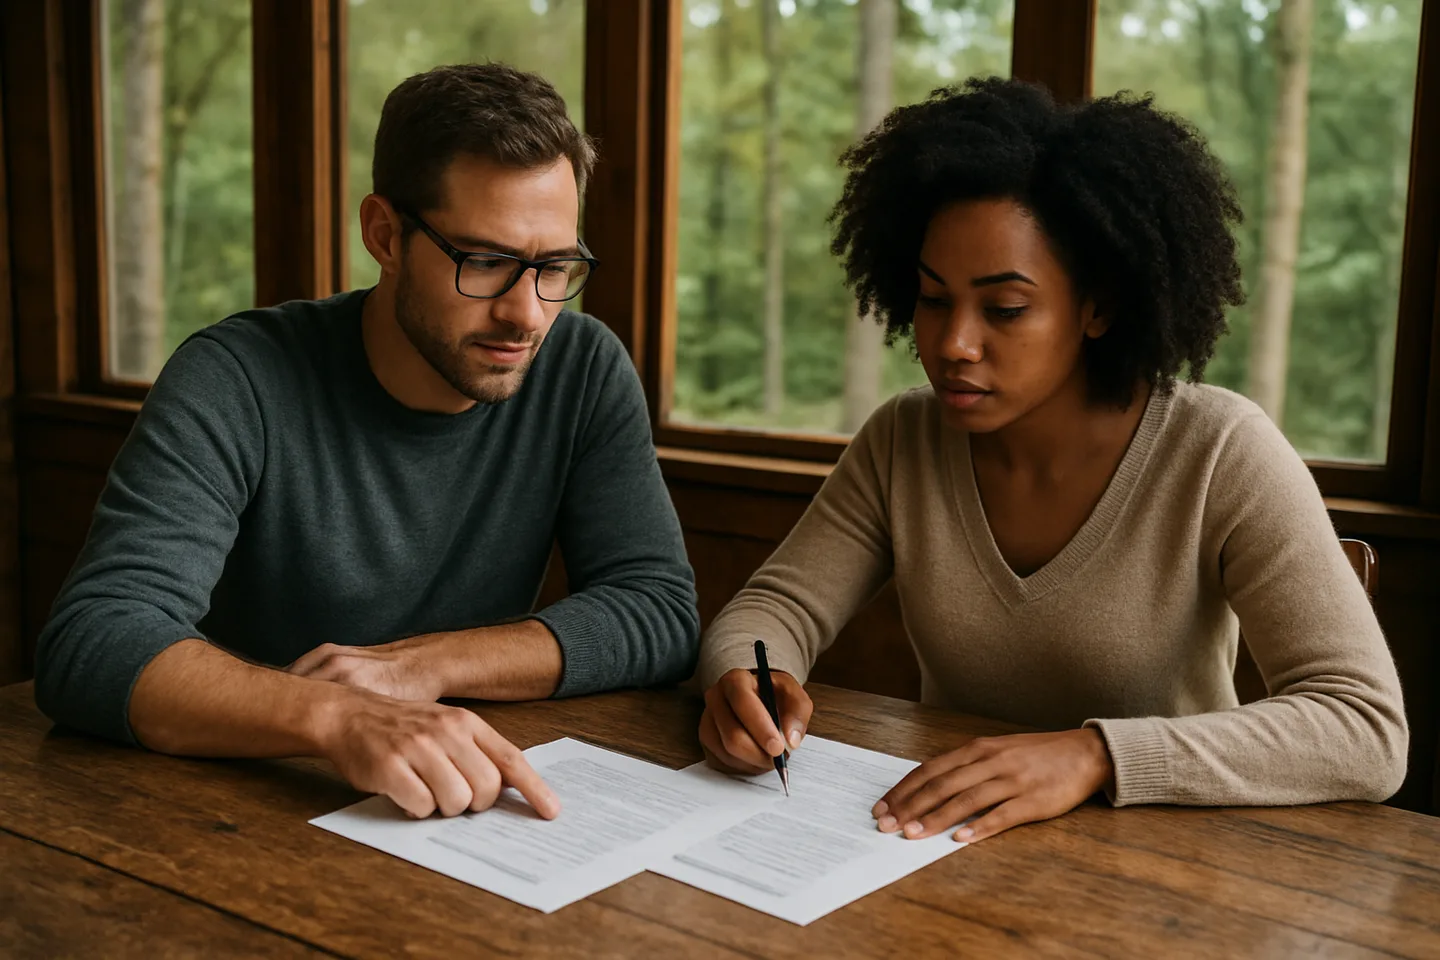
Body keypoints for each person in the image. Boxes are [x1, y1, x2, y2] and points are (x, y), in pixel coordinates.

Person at [696, 77, 1407, 843]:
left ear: (1098, 306)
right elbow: (775, 610)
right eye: (934, 300)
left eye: (1004, 309)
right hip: (932, 851)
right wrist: (749, 678)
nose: (953, 343)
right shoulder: (905, 439)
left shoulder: (1218, 450)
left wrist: (1098, 756)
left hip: (1171, 870)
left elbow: (1363, 727)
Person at [35, 63, 699, 821]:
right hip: (227, 811)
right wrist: (338, 716)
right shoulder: (235, 376)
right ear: (385, 235)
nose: (527, 314)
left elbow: (657, 610)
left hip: (454, 812)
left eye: (554, 267)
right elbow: (93, 639)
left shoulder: (582, 367)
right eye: (484, 262)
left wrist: (421, 667)